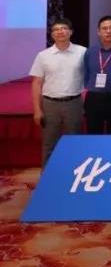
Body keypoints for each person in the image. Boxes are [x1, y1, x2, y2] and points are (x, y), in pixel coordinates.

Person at [29, 18, 86, 165]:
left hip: (74, 103)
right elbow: (36, 83)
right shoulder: (43, 55)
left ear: (71, 32)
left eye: (64, 28)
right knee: (49, 143)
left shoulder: (82, 52)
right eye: (56, 29)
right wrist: (37, 110)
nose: (60, 31)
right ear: (52, 34)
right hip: (50, 105)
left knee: (75, 142)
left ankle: (74, 173)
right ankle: (47, 174)